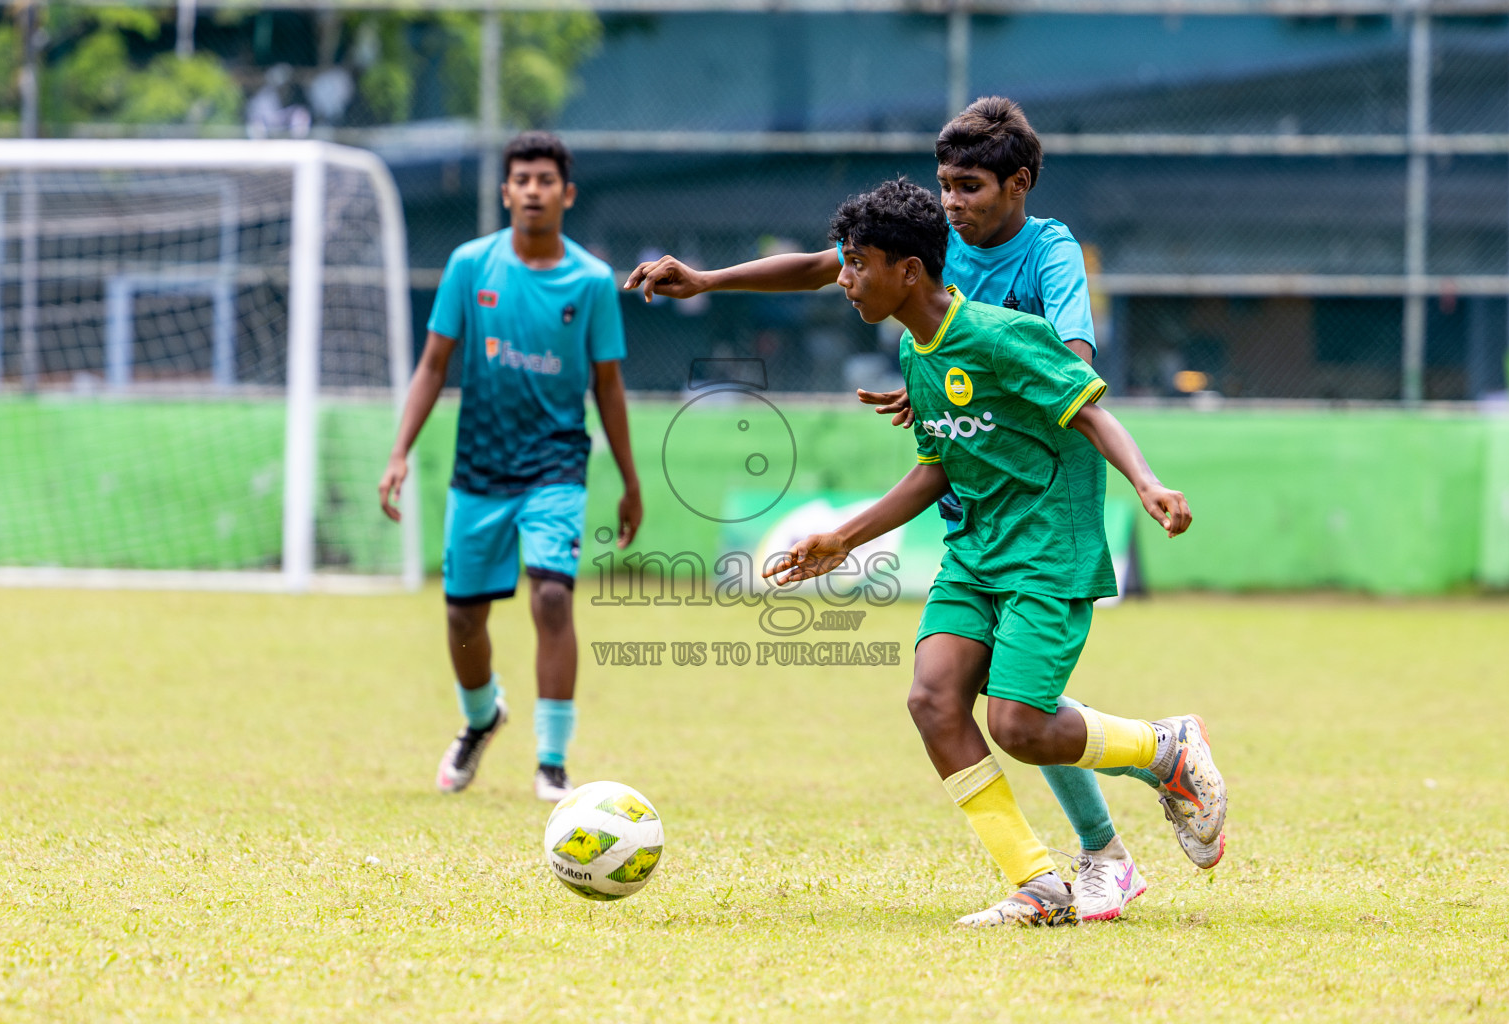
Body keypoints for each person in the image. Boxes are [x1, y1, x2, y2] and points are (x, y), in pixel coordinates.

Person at [625, 98, 1221, 922]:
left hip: (1048, 507)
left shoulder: (1045, 258)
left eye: (969, 186)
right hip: (978, 515)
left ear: (1018, 184)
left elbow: (1072, 373)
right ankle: (1053, 878)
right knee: (945, 701)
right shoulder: (914, 309)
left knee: (1022, 715)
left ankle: (1149, 778)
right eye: (945, 186)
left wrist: (1008, 400)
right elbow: (829, 272)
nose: (954, 202)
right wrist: (710, 283)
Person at [763, 179, 1225, 926]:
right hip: (974, 551)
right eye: (843, 263)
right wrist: (842, 539)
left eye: (856, 263)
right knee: (932, 700)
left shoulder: (1004, 336)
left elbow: (1092, 413)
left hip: (1047, 549)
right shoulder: (917, 354)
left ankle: (1163, 748)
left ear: (908, 270)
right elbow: (936, 465)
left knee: (1019, 727)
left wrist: (1147, 483)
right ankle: (1038, 884)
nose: (842, 280)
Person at [379, 131, 642, 802]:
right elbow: (434, 363)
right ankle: (480, 719)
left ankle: (552, 761)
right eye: (521, 179)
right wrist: (399, 450)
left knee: (552, 595)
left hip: (556, 465)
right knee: (463, 617)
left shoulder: (589, 282)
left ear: (567, 194)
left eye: (545, 180)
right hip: (479, 470)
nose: (532, 190)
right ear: (505, 192)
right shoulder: (471, 266)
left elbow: (608, 386)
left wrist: (631, 480)